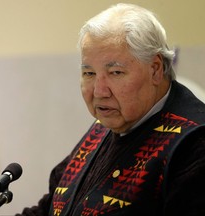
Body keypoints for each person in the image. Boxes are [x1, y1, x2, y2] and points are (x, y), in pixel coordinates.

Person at [16, 3, 205, 216]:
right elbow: (50, 208)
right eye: (89, 74)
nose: (99, 91)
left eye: (115, 72)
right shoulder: (105, 127)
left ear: (155, 69)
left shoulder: (195, 142)